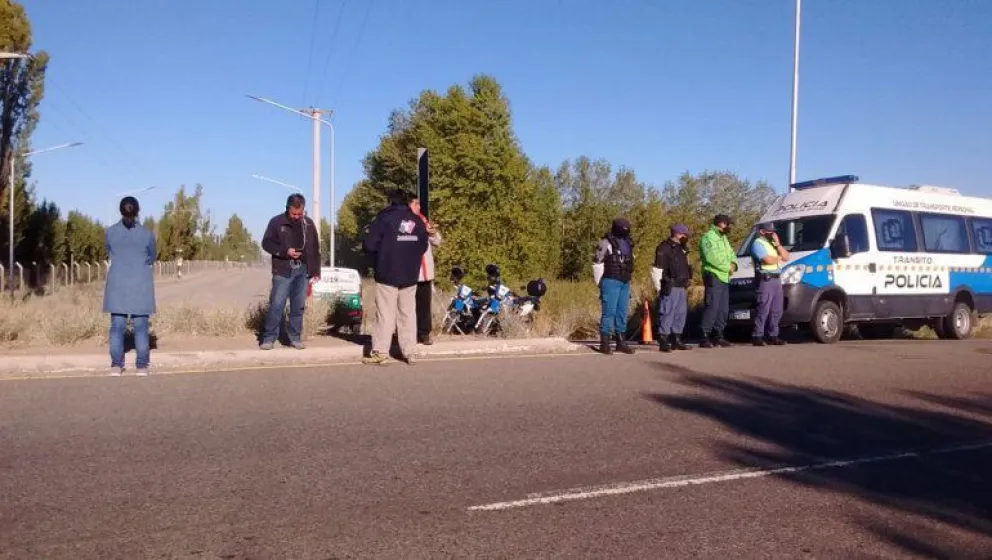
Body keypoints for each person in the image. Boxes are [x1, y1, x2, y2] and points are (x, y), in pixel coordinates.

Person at [362, 189, 429, 365]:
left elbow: (369, 245)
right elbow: (423, 246)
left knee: (385, 314)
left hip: (387, 273)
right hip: (410, 274)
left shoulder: (384, 219)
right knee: (408, 314)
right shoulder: (416, 220)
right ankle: (410, 352)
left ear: (390, 201)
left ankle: (381, 352)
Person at [259, 193, 322, 350]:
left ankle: (295, 338)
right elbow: (266, 243)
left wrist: (316, 270)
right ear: (287, 208)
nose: (296, 217)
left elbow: (315, 248)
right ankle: (269, 338)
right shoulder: (276, 222)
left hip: (303, 270)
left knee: (298, 306)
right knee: (277, 304)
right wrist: (285, 251)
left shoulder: (308, 224)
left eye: (299, 214)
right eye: (294, 214)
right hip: (283, 269)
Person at [103, 196, 156, 376]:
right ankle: (141, 366)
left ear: (120, 211)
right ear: (138, 211)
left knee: (117, 328)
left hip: (117, 285)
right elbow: (151, 257)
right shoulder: (147, 234)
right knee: (140, 328)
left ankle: (116, 365)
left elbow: (109, 252)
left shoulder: (110, 232)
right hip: (140, 285)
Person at [593, 217, 636, 355]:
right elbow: (597, 263)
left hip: (625, 281)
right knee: (608, 313)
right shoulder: (605, 242)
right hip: (610, 280)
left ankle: (621, 342)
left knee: (622, 313)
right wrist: (600, 283)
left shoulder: (628, 243)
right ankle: (604, 344)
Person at [698, 214, 737, 348]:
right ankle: (705, 336)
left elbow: (731, 253)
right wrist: (728, 267)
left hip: (725, 277)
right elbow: (712, 258)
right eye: (727, 224)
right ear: (720, 223)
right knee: (712, 306)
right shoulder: (708, 237)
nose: (729, 227)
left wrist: (734, 264)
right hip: (714, 276)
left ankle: (718, 335)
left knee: (723, 309)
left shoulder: (723, 238)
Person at [653, 224, 693, 352]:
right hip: (670, 284)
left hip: (681, 285)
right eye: (684, 235)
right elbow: (657, 269)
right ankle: (664, 339)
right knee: (667, 312)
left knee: (680, 313)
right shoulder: (664, 248)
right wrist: (659, 287)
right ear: (676, 234)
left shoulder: (683, 248)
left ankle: (677, 339)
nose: (686, 237)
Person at [750, 222, 791, 346]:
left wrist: (778, 244)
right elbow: (768, 260)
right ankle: (757, 335)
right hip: (765, 280)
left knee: (776, 310)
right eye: (770, 231)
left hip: (776, 279)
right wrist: (779, 257)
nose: (772, 233)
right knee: (763, 308)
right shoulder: (757, 244)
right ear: (762, 232)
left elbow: (786, 257)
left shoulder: (772, 244)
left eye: (773, 231)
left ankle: (773, 335)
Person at [409, 194, 442, 345]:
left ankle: (424, 334)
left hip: (426, 272)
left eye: (419, 204)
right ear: (409, 206)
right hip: (410, 272)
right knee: (409, 306)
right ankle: (410, 334)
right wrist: (421, 230)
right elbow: (405, 237)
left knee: (424, 306)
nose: (419, 207)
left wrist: (432, 233)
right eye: (416, 204)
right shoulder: (405, 221)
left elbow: (437, 242)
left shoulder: (423, 220)